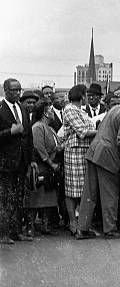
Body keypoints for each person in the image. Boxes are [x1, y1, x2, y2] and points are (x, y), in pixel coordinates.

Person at [77, 88, 120, 239]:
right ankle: (110, 229)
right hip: (107, 156)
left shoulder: (116, 109)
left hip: (95, 151)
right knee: (110, 194)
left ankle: (82, 228)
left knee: (89, 193)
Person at [0, 78, 34, 244]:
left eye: (19, 90)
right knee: (5, 198)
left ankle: (15, 231)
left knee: (19, 198)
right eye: (14, 90)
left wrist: (31, 159)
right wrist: (10, 131)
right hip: (5, 162)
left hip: (22, 161)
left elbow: (29, 135)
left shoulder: (22, 108)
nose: (17, 93)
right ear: (5, 90)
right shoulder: (1, 108)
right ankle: (3, 233)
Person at [62, 85, 97, 235]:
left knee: (83, 189)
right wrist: (102, 131)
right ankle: (73, 222)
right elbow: (82, 132)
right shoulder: (70, 109)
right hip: (74, 152)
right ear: (82, 96)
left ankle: (82, 223)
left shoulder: (81, 111)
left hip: (84, 152)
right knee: (72, 189)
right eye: (86, 95)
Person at [25, 100, 64, 235]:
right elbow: (38, 148)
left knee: (49, 198)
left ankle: (45, 225)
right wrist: (51, 163)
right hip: (40, 167)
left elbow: (55, 145)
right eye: (51, 111)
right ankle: (30, 227)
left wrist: (59, 147)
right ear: (45, 113)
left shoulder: (51, 128)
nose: (53, 113)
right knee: (35, 199)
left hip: (50, 168)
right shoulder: (38, 127)